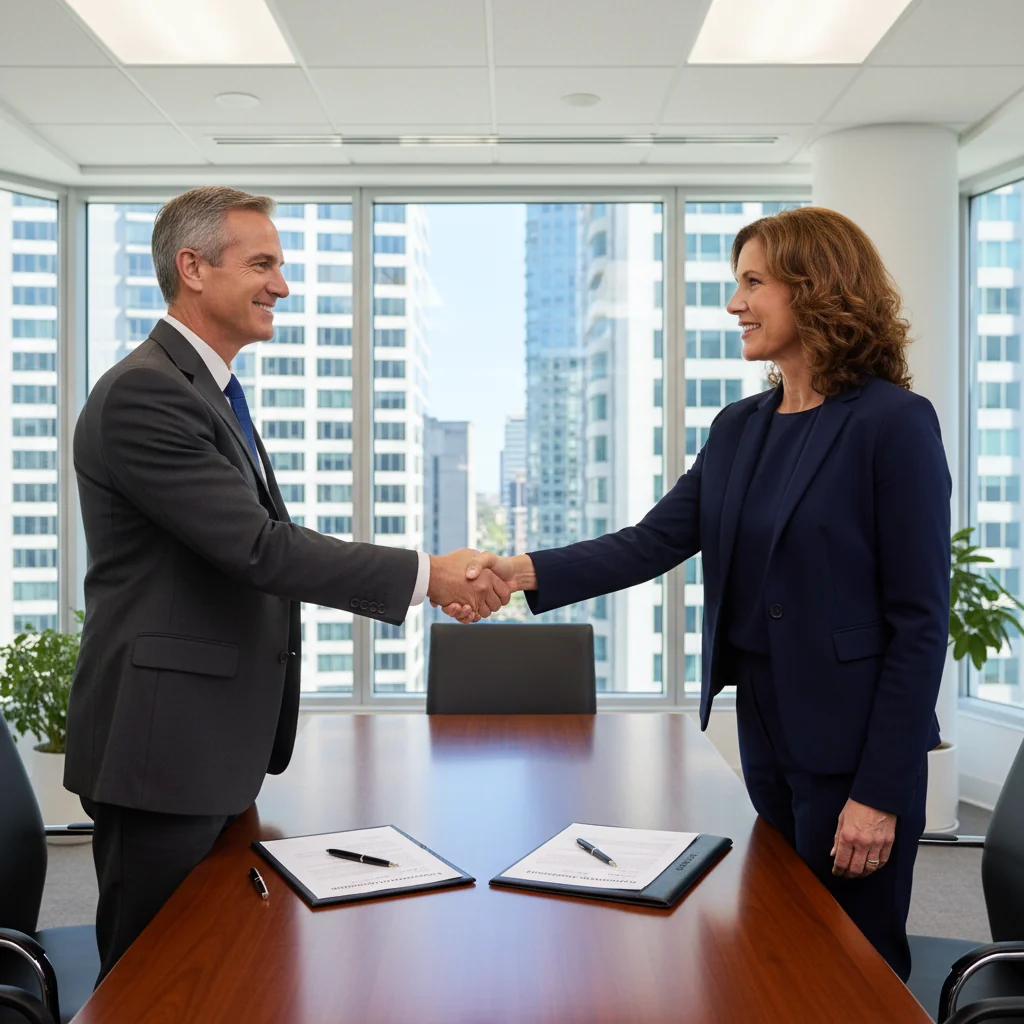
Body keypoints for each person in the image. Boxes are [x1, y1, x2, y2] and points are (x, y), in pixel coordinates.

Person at [448, 206, 951, 981]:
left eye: (753, 282)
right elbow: (651, 541)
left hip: (857, 746)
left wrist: (880, 792)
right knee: (781, 942)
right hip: (766, 728)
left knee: (853, 965)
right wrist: (516, 573)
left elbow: (919, 624)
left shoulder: (893, 423)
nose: (734, 303)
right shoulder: (740, 426)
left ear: (816, 288)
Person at [65, 186, 510, 983]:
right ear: (192, 268)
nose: (282, 284)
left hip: (205, 745)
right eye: (262, 264)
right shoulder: (146, 392)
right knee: (149, 985)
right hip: (162, 750)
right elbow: (259, 549)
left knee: (212, 972)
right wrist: (428, 574)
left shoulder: (202, 389)